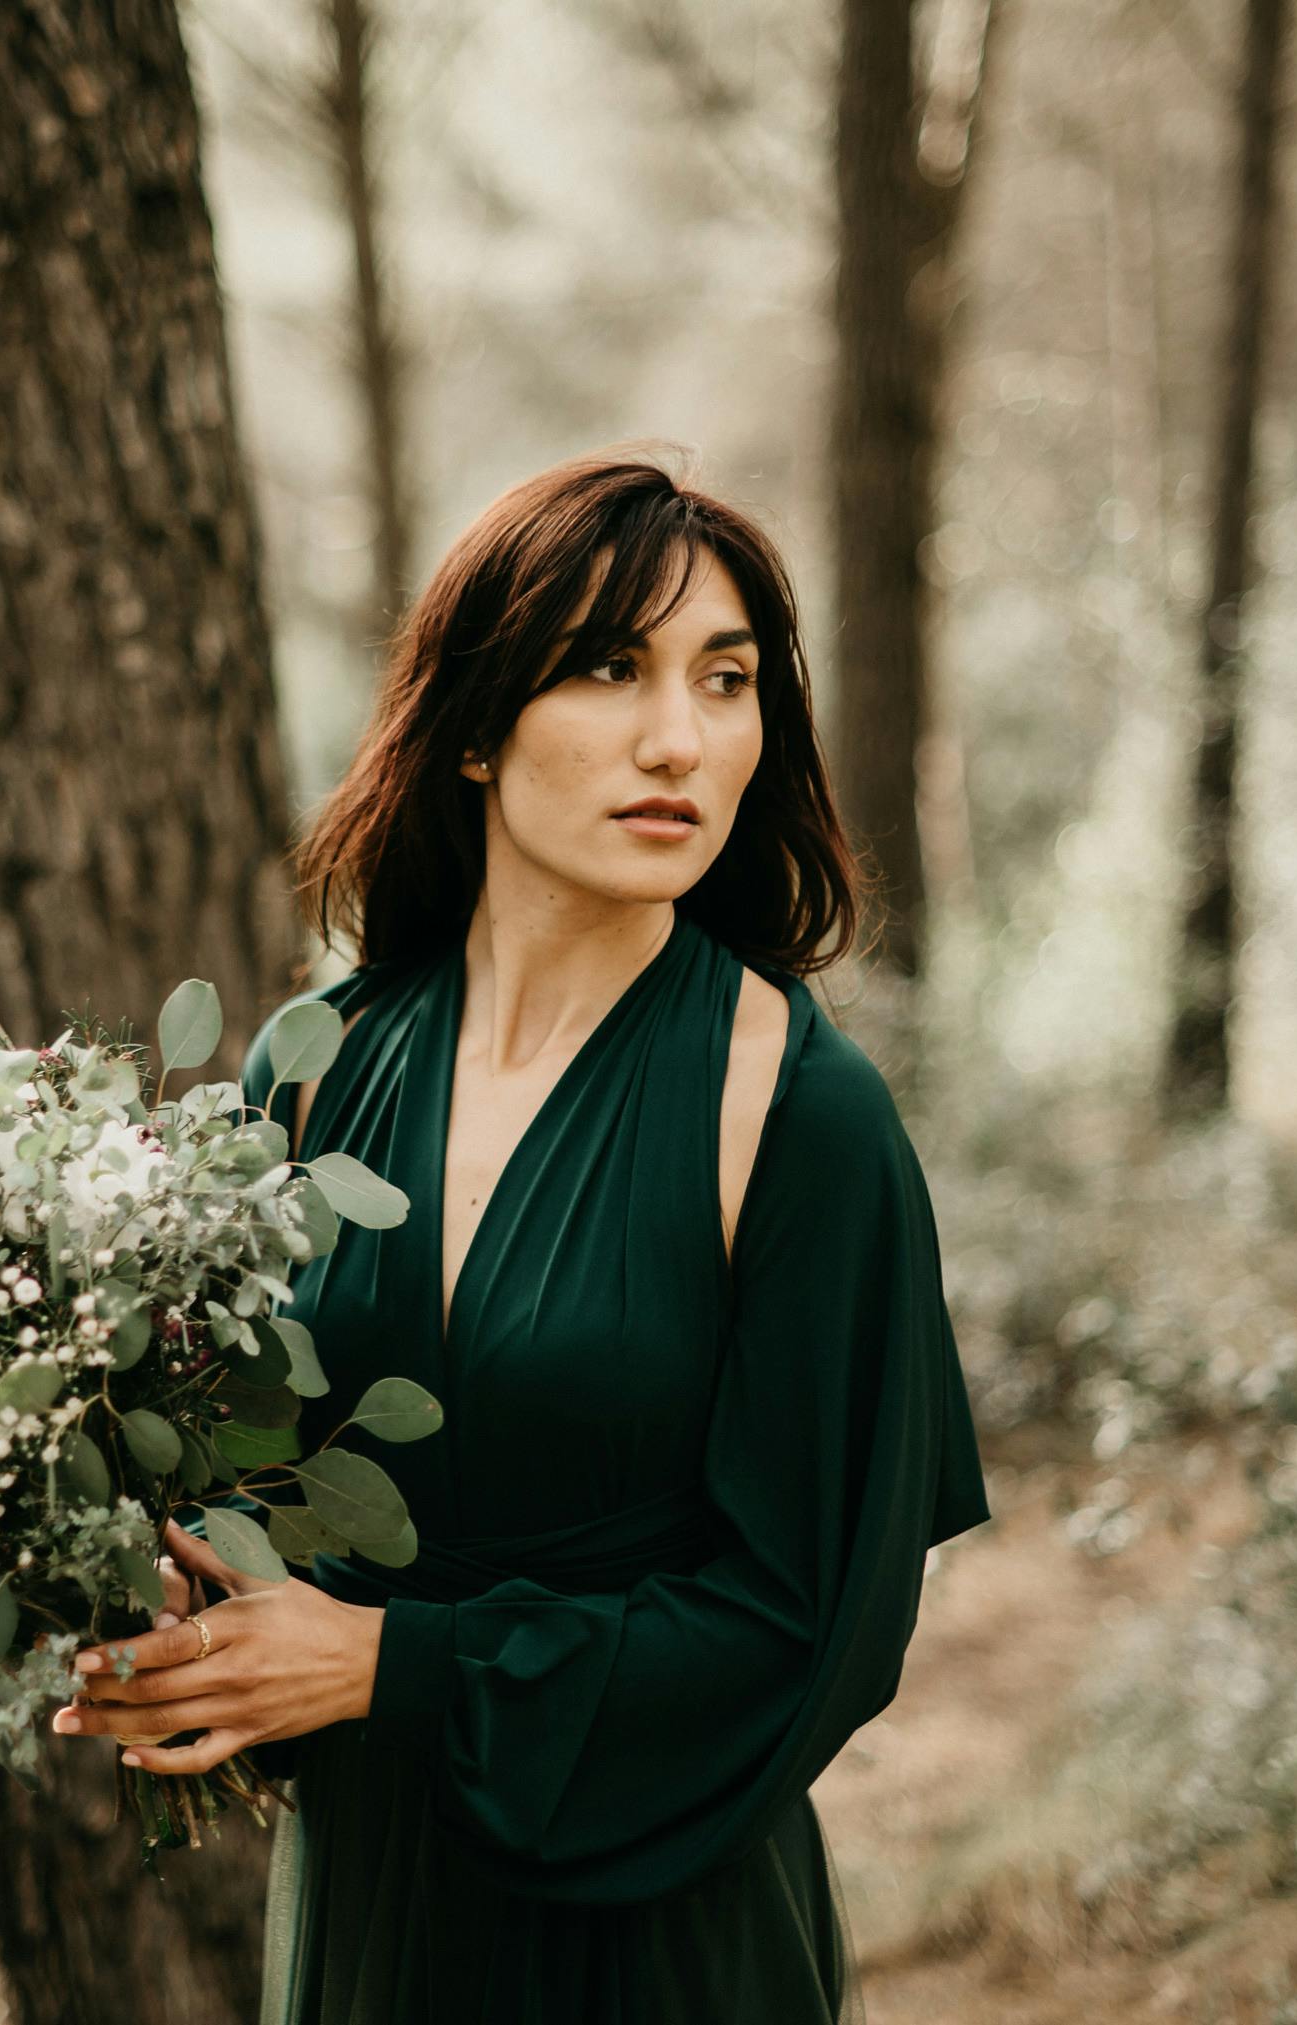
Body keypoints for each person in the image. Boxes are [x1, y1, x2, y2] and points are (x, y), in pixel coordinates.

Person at [49, 448, 993, 2023]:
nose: (679, 737)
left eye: (727, 678)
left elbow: (804, 1627)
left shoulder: (801, 1120)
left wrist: (386, 1667)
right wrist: (144, 1604)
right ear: (477, 725)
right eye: (611, 667)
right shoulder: (309, 1069)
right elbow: (246, 1489)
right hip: (375, 1907)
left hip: (663, 1926)